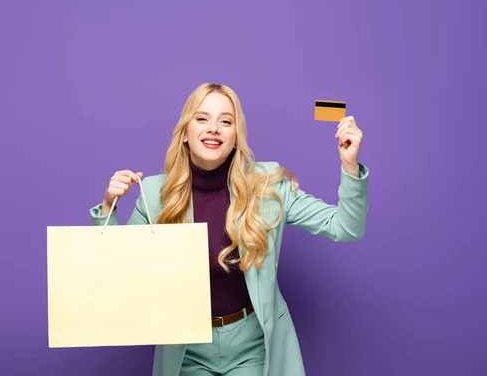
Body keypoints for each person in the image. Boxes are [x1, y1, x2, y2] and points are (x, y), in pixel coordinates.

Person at [89, 82, 369, 376]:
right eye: (201, 118)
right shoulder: (154, 193)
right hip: (186, 348)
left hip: (252, 347)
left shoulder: (268, 186)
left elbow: (346, 227)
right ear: (185, 133)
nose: (214, 128)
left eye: (226, 121)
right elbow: (117, 274)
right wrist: (108, 207)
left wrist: (350, 168)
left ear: (236, 137)